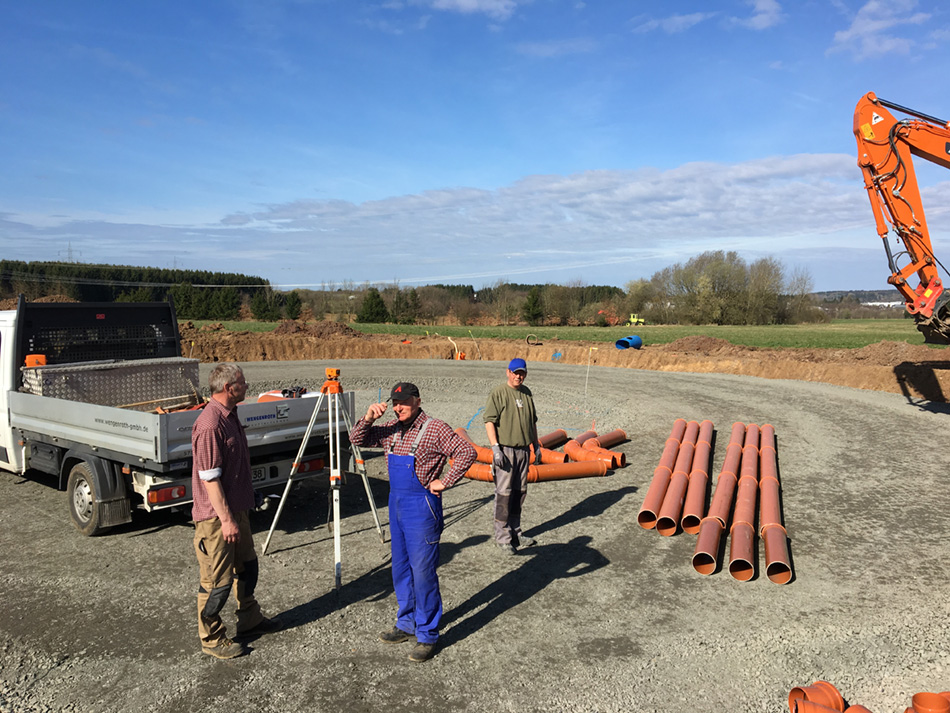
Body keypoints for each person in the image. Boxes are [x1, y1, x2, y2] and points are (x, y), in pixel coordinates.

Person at [349, 382, 477, 663]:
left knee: (423, 572)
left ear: (418, 400)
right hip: (396, 505)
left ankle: (427, 634)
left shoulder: (435, 428)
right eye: (395, 403)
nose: (399, 407)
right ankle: (406, 623)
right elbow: (356, 439)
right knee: (401, 568)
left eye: (404, 402)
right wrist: (369, 418)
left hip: (421, 507)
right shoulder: (391, 429)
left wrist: (445, 481)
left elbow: (467, 452)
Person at [191, 363, 280, 659]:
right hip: (217, 519)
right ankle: (212, 637)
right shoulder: (210, 424)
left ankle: (249, 619)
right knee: (216, 583)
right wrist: (227, 520)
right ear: (229, 388)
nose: (247, 385)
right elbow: (210, 480)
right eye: (242, 382)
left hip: (237, 511)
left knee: (248, 567)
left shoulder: (231, 415)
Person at [484, 358, 542, 555]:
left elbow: (532, 422)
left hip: (524, 450)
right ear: (508, 372)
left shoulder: (526, 393)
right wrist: (495, 448)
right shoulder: (499, 393)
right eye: (515, 372)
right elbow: (489, 421)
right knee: (504, 494)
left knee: (519, 493)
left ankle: (516, 532)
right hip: (506, 451)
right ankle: (503, 537)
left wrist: (536, 445)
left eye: (522, 373)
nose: (519, 376)